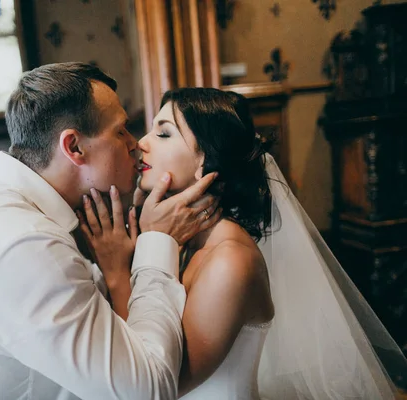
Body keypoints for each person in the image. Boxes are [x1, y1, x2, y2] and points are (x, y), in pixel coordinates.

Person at [80, 87, 407, 399]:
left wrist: (116, 271)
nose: (141, 143)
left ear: (204, 161)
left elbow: (158, 385)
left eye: (163, 133)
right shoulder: (183, 245)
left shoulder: (230, 261)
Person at [0, 63, 222, 400]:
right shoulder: (23, 245)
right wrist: (157, 241)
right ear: (74, 147)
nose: (135, 143)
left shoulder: (2, 211)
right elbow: (149, 391)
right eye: (121, 131)